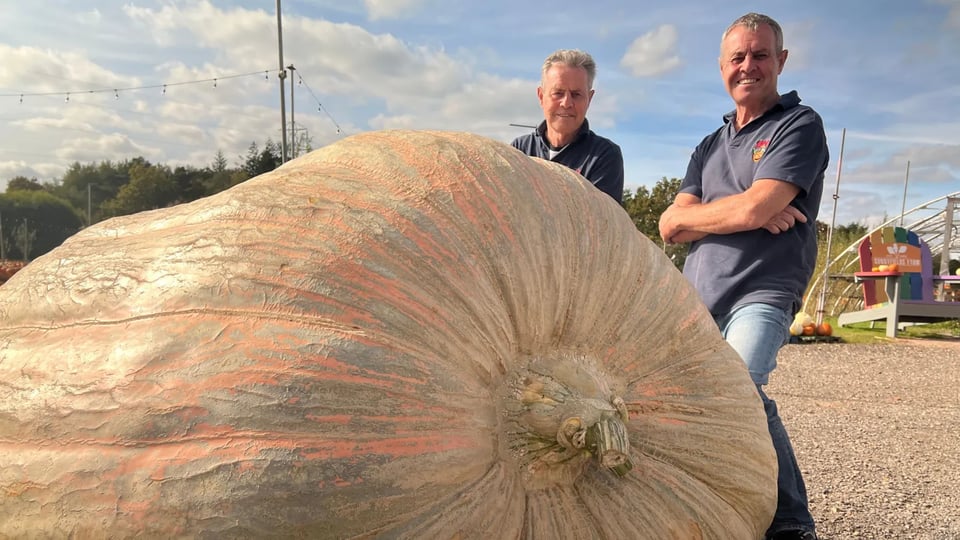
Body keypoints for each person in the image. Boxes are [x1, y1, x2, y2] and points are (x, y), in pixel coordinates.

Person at [658, 13, 828, 540]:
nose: (748, 66)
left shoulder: (798, 125)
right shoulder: (709, 145)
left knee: (739, 389)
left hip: (763, 288)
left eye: (759, 55)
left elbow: (753, 208)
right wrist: (746, 207)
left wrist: (734, 210)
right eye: (737, 57)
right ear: (722, 66)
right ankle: (712, 506)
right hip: (700, 297)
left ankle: (792, 525)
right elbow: (668, 224)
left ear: (780, 61)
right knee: (694, 403)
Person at [512, 49, 624, 203]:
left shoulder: (605, 155)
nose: (566, 103)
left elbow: (600, 222)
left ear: (589, 99)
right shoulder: (519, 149)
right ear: (541, 96)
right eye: (558, 93)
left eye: (576, 94)